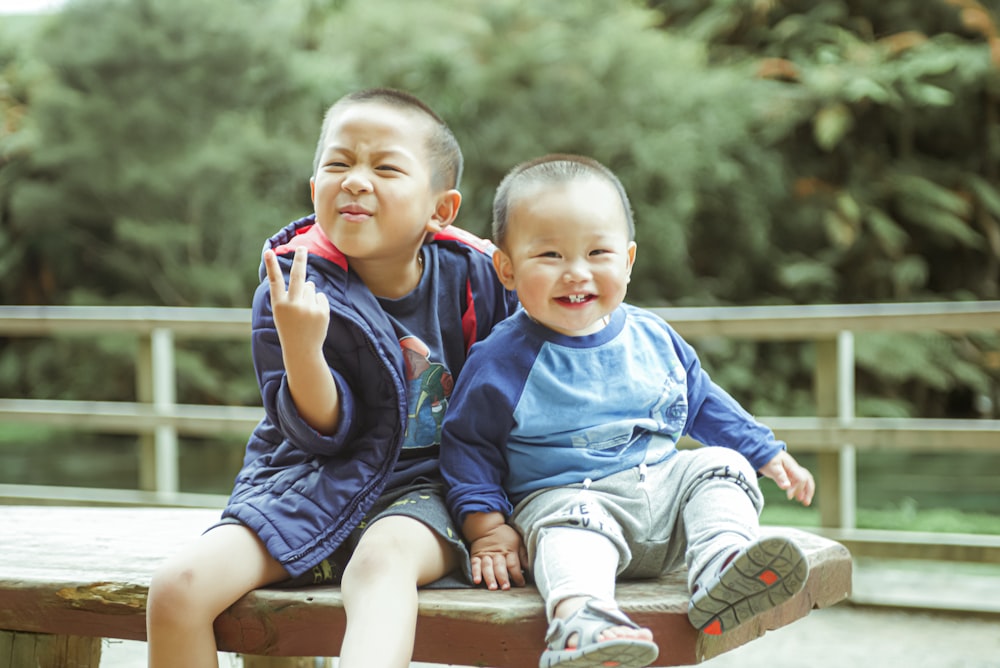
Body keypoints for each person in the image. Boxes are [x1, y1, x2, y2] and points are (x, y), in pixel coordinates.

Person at [146, 88, 518, 668]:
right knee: (177, 589)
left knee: (379, 566)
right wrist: (302, 349)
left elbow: (530, 379)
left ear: (440, 209)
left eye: (386, 167)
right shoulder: (289, 282)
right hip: (309, 479)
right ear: (313, 187)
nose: (356, 180)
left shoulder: (481, 274)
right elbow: (319, 432)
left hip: (427, 490)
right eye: (338, 163)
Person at [440, 154, 816, 668]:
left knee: (717, 466)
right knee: (567, 523)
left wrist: (763, 452)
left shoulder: (653, 338)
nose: (576, 272)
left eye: (598, 252)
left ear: (628, 260)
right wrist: (487, 530)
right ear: (506, 268)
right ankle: (582, 619)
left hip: (661, 500)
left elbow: (701, 400)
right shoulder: (502, 360)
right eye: (549, 255)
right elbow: (468, 445)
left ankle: (721, 563)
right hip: (570, 506)